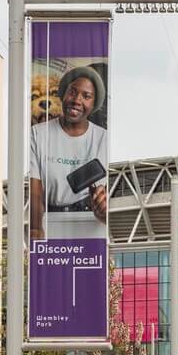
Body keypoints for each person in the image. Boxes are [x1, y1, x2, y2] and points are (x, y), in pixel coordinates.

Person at [28, 64, 109, 239]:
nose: (77, 100)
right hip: (48, 223)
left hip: (88, 225)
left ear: (94, 104)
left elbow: (103, 194)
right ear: (63, 94)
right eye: (72, 92)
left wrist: (102, 211)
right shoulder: (38, 134)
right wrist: (35, 230)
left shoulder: (103, 138)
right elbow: (35, 190)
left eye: (86, 96)